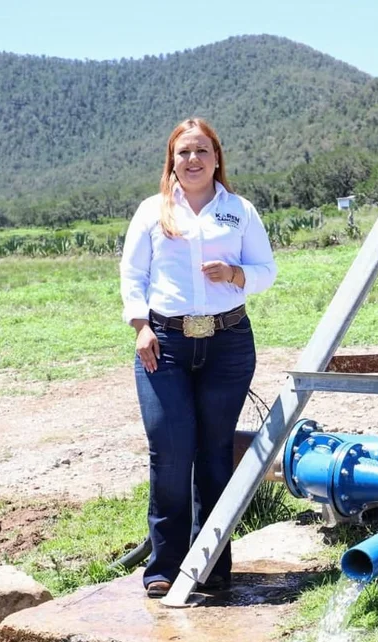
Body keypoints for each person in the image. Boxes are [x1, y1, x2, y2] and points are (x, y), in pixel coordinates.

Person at [120, 118, 277, 599]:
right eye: (184, 152)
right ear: (172, 159)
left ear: (216, 158)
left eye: (202, 151)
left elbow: (266, 271)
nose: (193, 160)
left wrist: (233, 273)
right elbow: (132, 276)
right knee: (171, 449)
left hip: (227, 346)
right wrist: (141, 326)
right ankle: (164, 564)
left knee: (213, 454)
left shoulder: (240, 210)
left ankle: (209, 563)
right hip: (163, 344)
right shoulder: (153, 211)